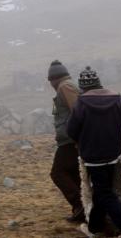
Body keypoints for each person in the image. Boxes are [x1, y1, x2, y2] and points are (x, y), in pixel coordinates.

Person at [67, 66, 121, 238]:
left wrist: (79, 142)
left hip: (92, 156)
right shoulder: (118, 99)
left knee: (104, 193)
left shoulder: (81, 103)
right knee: (102, 191)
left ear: (82, 87)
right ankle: (94, 228)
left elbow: (71, 130)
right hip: (113, 154)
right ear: (99, 83)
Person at [47, 60, 85, 223]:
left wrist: (77, 137)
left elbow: (78, 112)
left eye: (50, 81)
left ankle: (80, 205)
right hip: (71, 139)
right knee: (74, 174)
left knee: (58, 173)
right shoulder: (68, 85)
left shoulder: (65, 87)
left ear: (54, 79)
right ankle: (82, 209)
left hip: (70, 140)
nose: (50, 85)